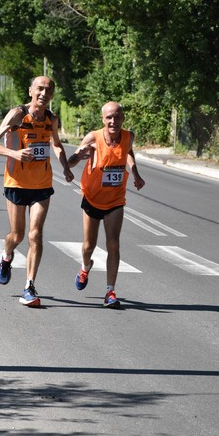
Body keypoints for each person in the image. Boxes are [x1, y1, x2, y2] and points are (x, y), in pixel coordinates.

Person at [0, 75, 74, 307]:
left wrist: (65, 167)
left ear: (52, 94)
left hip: (42, 184)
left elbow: (55, 144)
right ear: (31, 91)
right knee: (17, 236)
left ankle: (29, 286)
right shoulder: (17, 114)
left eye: (48, 90)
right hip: (16, 182)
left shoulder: (51, 118)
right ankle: (7, 256)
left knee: (35, 234)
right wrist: (14, 154)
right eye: (40, 89)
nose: (44, 93)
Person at [67, 101, 145, 309]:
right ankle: (85, 268)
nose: (113, 121)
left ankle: (110, 291)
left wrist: (135, 173)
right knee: (88, 246)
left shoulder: (128, 137)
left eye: (117, 116)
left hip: (115, 200)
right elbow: (72, 160)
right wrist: (78, 156)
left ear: (123, 118)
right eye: (109, 117)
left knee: (113, 244)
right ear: (103, 119)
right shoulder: (93, 137)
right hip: (92, 198)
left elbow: (128, 152)